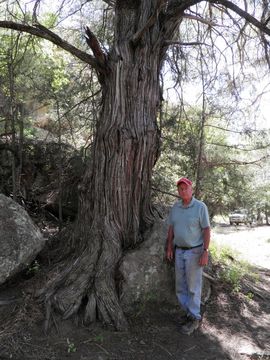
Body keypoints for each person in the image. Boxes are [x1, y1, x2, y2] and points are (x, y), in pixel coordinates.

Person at [166, 177, 210, 335]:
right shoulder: (176, 207)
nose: (183, 191)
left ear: (191, 189)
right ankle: (188, 313)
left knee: (193, 286)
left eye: (185, 188)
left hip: (195, 251)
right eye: (180, 189)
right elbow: (171, 228)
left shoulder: (200, 207)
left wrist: (205, 251)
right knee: (181, 286)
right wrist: (169, 246)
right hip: (179, 251)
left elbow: (206, 229)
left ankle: (194, 317)